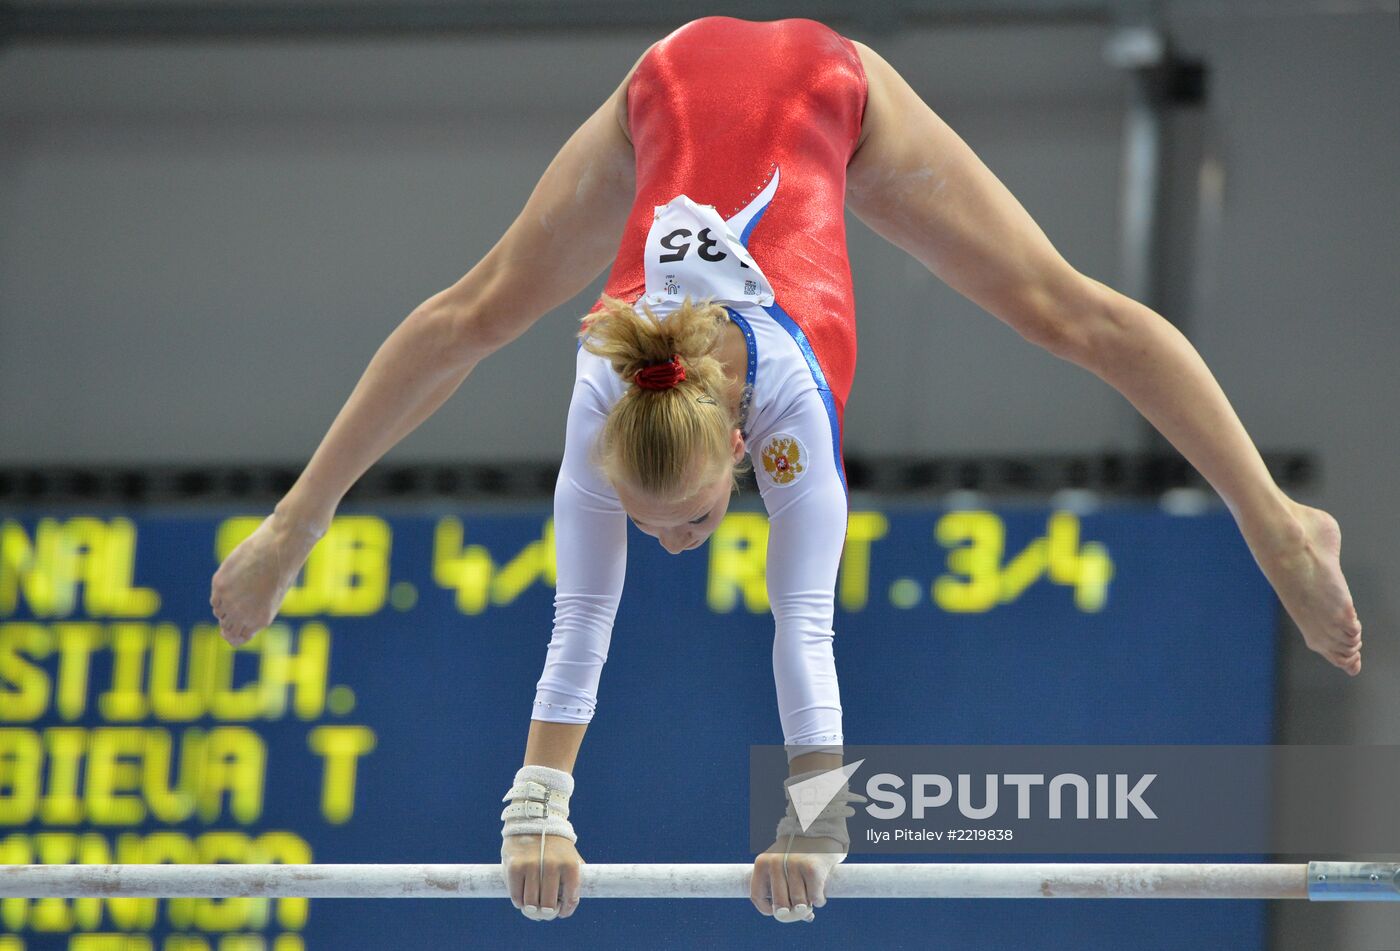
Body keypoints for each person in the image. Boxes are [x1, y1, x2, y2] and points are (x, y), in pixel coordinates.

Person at [209, 15, 1364, 925]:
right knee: (475, 313)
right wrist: (535, 813)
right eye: (649, 515)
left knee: (1065, 312)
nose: (670, 541)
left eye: (695, 514)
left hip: (823, 92)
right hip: (665, 87)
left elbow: (800, 624)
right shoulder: (602, 392)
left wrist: (817, 822)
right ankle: (289, 527)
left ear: (738, 449)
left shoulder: (791, 417)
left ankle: (1270, 521)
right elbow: (580, 617)